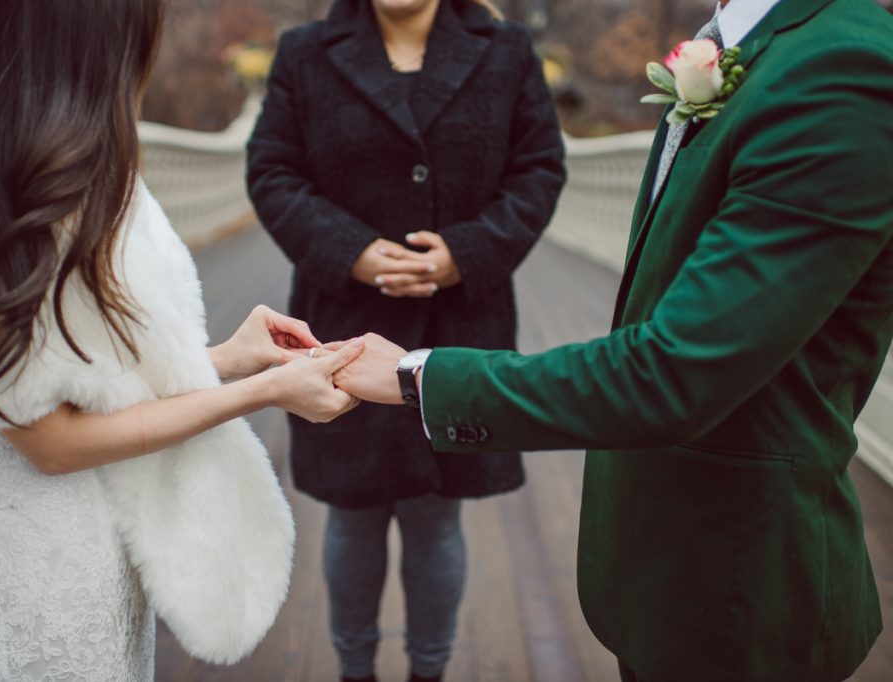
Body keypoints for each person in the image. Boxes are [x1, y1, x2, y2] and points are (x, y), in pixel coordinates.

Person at [330, 0, 893, 680]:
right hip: (669, 566)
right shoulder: (751, 43)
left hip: (745, 586)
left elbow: (674, 371)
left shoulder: (842, 70)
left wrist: (421, 376)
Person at [0, 1, 364, 679]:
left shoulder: (47, 166)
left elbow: (77, 389)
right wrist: (264, 391)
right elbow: (52, 442)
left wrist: (230, 358)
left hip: (102, 558)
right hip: (40, 590)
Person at [246, 0, 565, 679]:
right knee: (353, 513)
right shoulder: (305, 52)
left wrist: (467, 253)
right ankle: (354, 671)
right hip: (341, 328)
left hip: (459, 324)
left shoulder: (506, 51)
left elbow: (539, 170)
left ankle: (429, 671)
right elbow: (272, 171)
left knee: (436, 515)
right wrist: (351, 251)